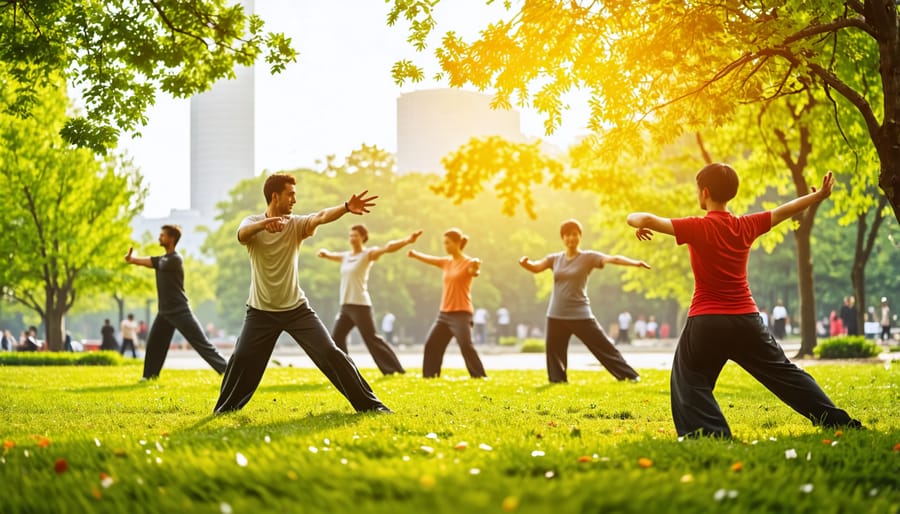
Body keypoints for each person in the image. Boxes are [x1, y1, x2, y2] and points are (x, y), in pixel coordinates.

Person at [627, 164, 861, 438]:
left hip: (707, 321)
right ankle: (836, 420)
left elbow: (640, 217)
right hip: (746, 320)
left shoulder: (695, 227)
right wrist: (817, 196)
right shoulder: (746, 225)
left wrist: (639, 222)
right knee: (786, 375)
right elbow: (784, 211)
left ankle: (712, 433)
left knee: (689, 379)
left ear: (704, 192)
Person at [214, 174, 390, 414]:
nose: (294, 199)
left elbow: (320, 216)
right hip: (261, 312)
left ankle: (371, 406)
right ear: (275, 196)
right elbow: (243, 233)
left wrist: (347, 208)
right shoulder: (252, 222)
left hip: (297, 310)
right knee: (242, 357)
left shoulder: (295, 224)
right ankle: (224, 410)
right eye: (291, 194)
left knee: (330, 352)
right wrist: (264, 225)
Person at [519, 219, 645, 383]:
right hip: (556, 314)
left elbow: (612, 258)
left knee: (603, 346)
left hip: (580, 314)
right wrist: (525, 263)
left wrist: (635, 263)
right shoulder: (554, 259)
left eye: (574, 234)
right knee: (554, 351)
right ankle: (557, 380)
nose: (571, 238)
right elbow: (536, 267)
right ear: (562, 238)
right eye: (567, 235)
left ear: (580, 236)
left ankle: (630, 375)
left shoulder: (588, 257)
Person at [125, 225, 227, 380]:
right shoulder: (164, 258)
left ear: (171, 239)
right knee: (154, 344)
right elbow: (152, 261)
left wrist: (138, 261)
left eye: (163, 235)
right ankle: (149, 376)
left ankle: (227, 370)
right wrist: (132, 260)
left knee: (201, 344)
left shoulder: (175, 259)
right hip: (164, 312)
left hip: (180, 310)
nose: (159, 237)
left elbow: (155, 262)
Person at [317, 225, 422, 375]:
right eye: (350, 235)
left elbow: (388, 248)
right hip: (346, 306)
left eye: (356, 235)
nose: (352, 238)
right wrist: (325, 254)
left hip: (360, 305)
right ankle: (345, 369)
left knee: (371, 339)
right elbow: (331, 255)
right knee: (337, 339)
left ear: (363, 237)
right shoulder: (346, 256)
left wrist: (407, 240)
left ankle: (393, 369)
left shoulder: (368, 254)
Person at [408, 228, 487, 379]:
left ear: (458, 243)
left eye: (448, 243)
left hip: (461, 313)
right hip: (444, 314)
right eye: (444, 243)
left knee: (465, 345)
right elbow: (430, 259)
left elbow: (474, 271)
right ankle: (430, 376)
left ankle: (479, 375)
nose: (445, 246)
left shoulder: (468, 262)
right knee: (432, 344)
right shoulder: (446, 262)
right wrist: (415, 254)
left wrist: (475, 268)